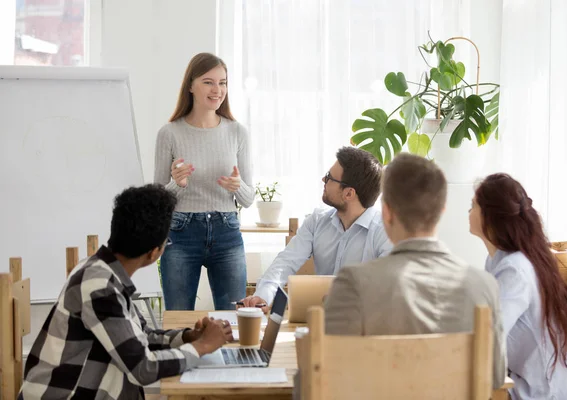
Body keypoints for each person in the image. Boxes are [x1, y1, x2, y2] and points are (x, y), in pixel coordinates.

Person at [19, 184, 234, 400]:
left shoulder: (103, 272)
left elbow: (142, 337)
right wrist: (203, 346)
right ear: (154, 253)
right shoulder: (100, 287)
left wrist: (188, 337)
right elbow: (143, 369)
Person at [323, 153, 506, 390]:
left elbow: (322, 379)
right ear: (441, 211)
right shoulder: (484, 286)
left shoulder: (354, 283)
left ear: (387, 213)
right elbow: (496, 378)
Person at [469, 173, 567, 399]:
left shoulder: (515, 269)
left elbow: (490, 334)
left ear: (491, 217)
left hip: (548, 391)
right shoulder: (497, 261)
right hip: (532, 379)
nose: (469, 212)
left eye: (473, 205)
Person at [154, 52, 254, 311]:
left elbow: (248, 198)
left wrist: (237, 186)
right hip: (181, 233)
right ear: (191, 85)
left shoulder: (237, 132)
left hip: (227, 231)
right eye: (208, 82)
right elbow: (156, 201)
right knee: (178, 320)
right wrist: (177, 184)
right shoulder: (169, 133)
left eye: (222, 82)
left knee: (234, 320)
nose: (217, 90)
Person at [241, 146, 392, 310]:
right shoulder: (317, 220)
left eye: (329, 178)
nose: (323, 180)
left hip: (364, 325)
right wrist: (263, 295)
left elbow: (390, 290)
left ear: (348, 194)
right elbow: (286, 262)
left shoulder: (384, 232)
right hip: (317, 320)